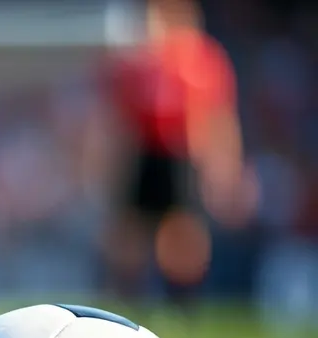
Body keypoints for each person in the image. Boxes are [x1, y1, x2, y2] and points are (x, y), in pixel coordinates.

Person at [96, 0, 255, 308]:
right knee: (130, 234)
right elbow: (117, 121)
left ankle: (182, 304)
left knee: (182, 233)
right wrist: (111, 167)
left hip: (182, 155)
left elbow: (216, 116)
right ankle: (129, 301)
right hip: (144, 155)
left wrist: (223, 166)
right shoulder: (134, 64)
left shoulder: (202, 59)